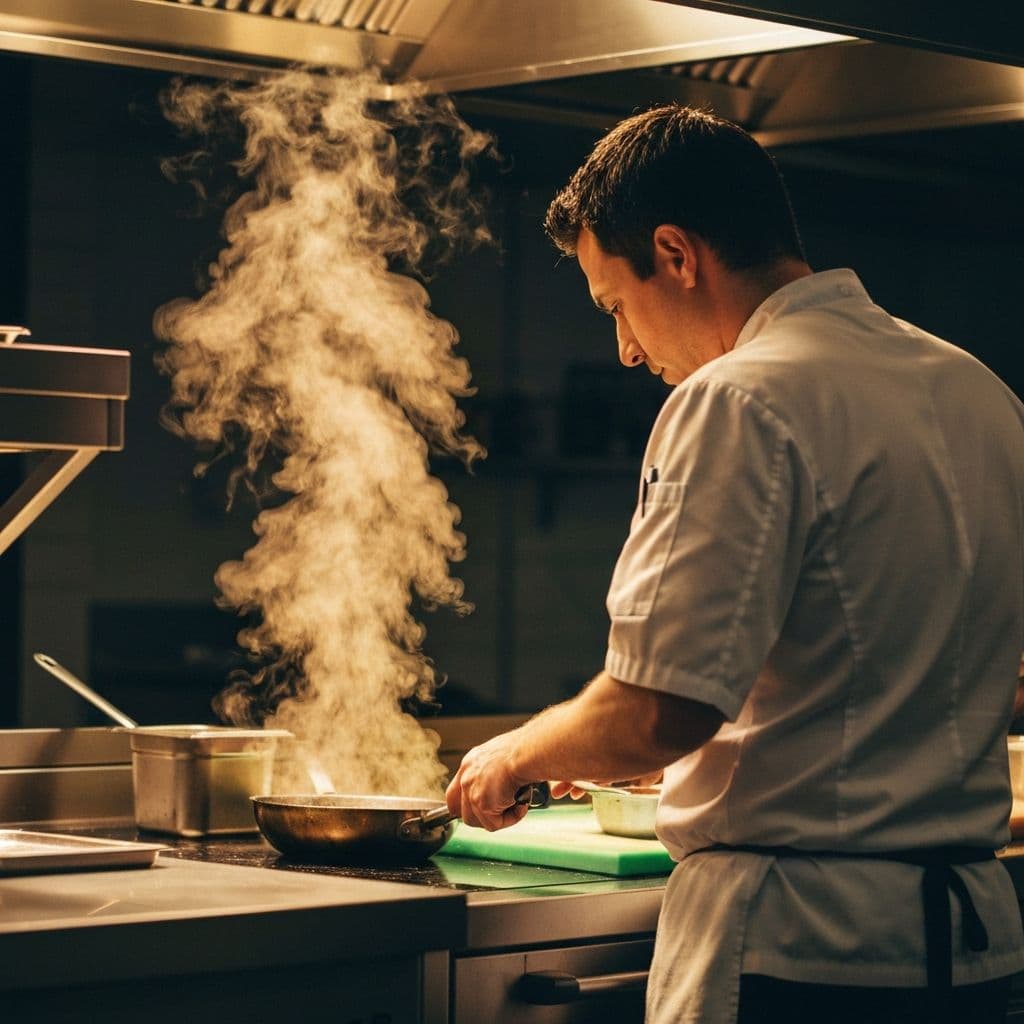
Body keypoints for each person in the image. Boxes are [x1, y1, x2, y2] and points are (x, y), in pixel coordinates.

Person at [444, 103, 1024, 1023]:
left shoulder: (739, 397)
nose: (626, 350)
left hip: (800, 957)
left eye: (616, 307)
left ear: (676, 255)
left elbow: (658, 710)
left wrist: (513, 754)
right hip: (976, 948)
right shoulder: (980, 392)